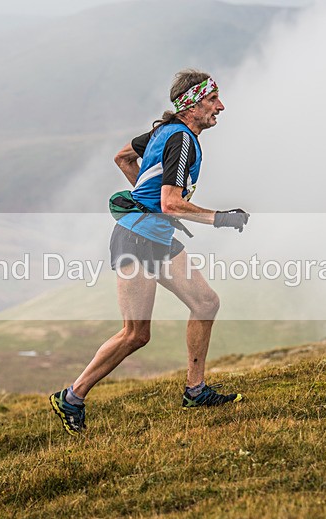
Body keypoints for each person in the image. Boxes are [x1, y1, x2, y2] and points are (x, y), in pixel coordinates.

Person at [50, 69, 250, 435]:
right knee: (135, 334)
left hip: (156, 236)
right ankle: (72, 397)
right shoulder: (182, 139)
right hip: (137, 239)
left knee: (206, 303)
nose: (220, 106)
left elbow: (123, 158)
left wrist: (148, 200)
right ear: (191, 105)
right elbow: (171, 203)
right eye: (212, 100)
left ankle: (195, 391)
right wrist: (220, 218)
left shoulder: (165, 131)